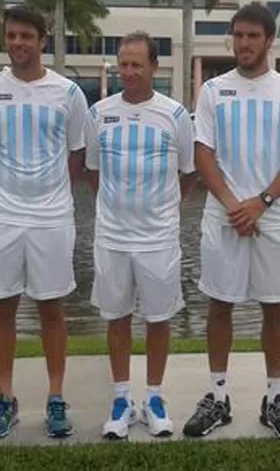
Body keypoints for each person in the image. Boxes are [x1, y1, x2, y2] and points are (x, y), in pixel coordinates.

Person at [182, 2, 280, 442]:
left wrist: (261, 202)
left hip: (272, 218)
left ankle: (274, 398)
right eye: (237, 35)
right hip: (224, 217)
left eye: (252, 36)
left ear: (269, 40)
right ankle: (218, 396)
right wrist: (233, 203)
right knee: (220, 306)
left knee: (274, 308)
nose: (243, 44)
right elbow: (203, 153)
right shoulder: (214, 90)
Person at [0, 4, 87, 440]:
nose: (18, 43)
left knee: (52, 306)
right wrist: (1, 187)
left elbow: (76, 154)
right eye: (11, 36)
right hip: (2, 215)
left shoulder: (67, 93)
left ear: (42, 40)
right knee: (3, 305)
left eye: (26, 36)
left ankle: (55, 397)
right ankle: (5, 398)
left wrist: (48, 190)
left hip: (52, 216)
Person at [83, 31, 197, 440]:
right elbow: (92, 172)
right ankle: (120, 399)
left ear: (154, 67)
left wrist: (159, 211)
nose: (128, 72)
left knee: (159, 318)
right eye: (123, 65)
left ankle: (153, 398)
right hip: (112, 236)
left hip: (158, 238)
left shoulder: (175, 115)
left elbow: (187, 176)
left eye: (137, 65)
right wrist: (118, 207)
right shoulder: (99, 114)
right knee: (117, 316)